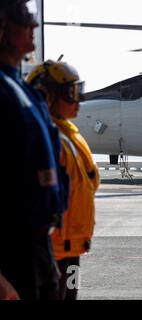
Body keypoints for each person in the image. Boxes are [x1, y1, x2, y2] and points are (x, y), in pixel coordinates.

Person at [0, 0, 68, 300]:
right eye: (24, 18)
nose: (34, 26)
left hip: (38, 246)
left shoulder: (22, 89)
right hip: (10, 250)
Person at [26, 60, 100, 300]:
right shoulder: (43, 136)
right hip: (51, 252)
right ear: (47, 95)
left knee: (69, 295)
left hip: (73, 248)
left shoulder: (70, 135)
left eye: (78, 91)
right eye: (71, 93)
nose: (77, 101)